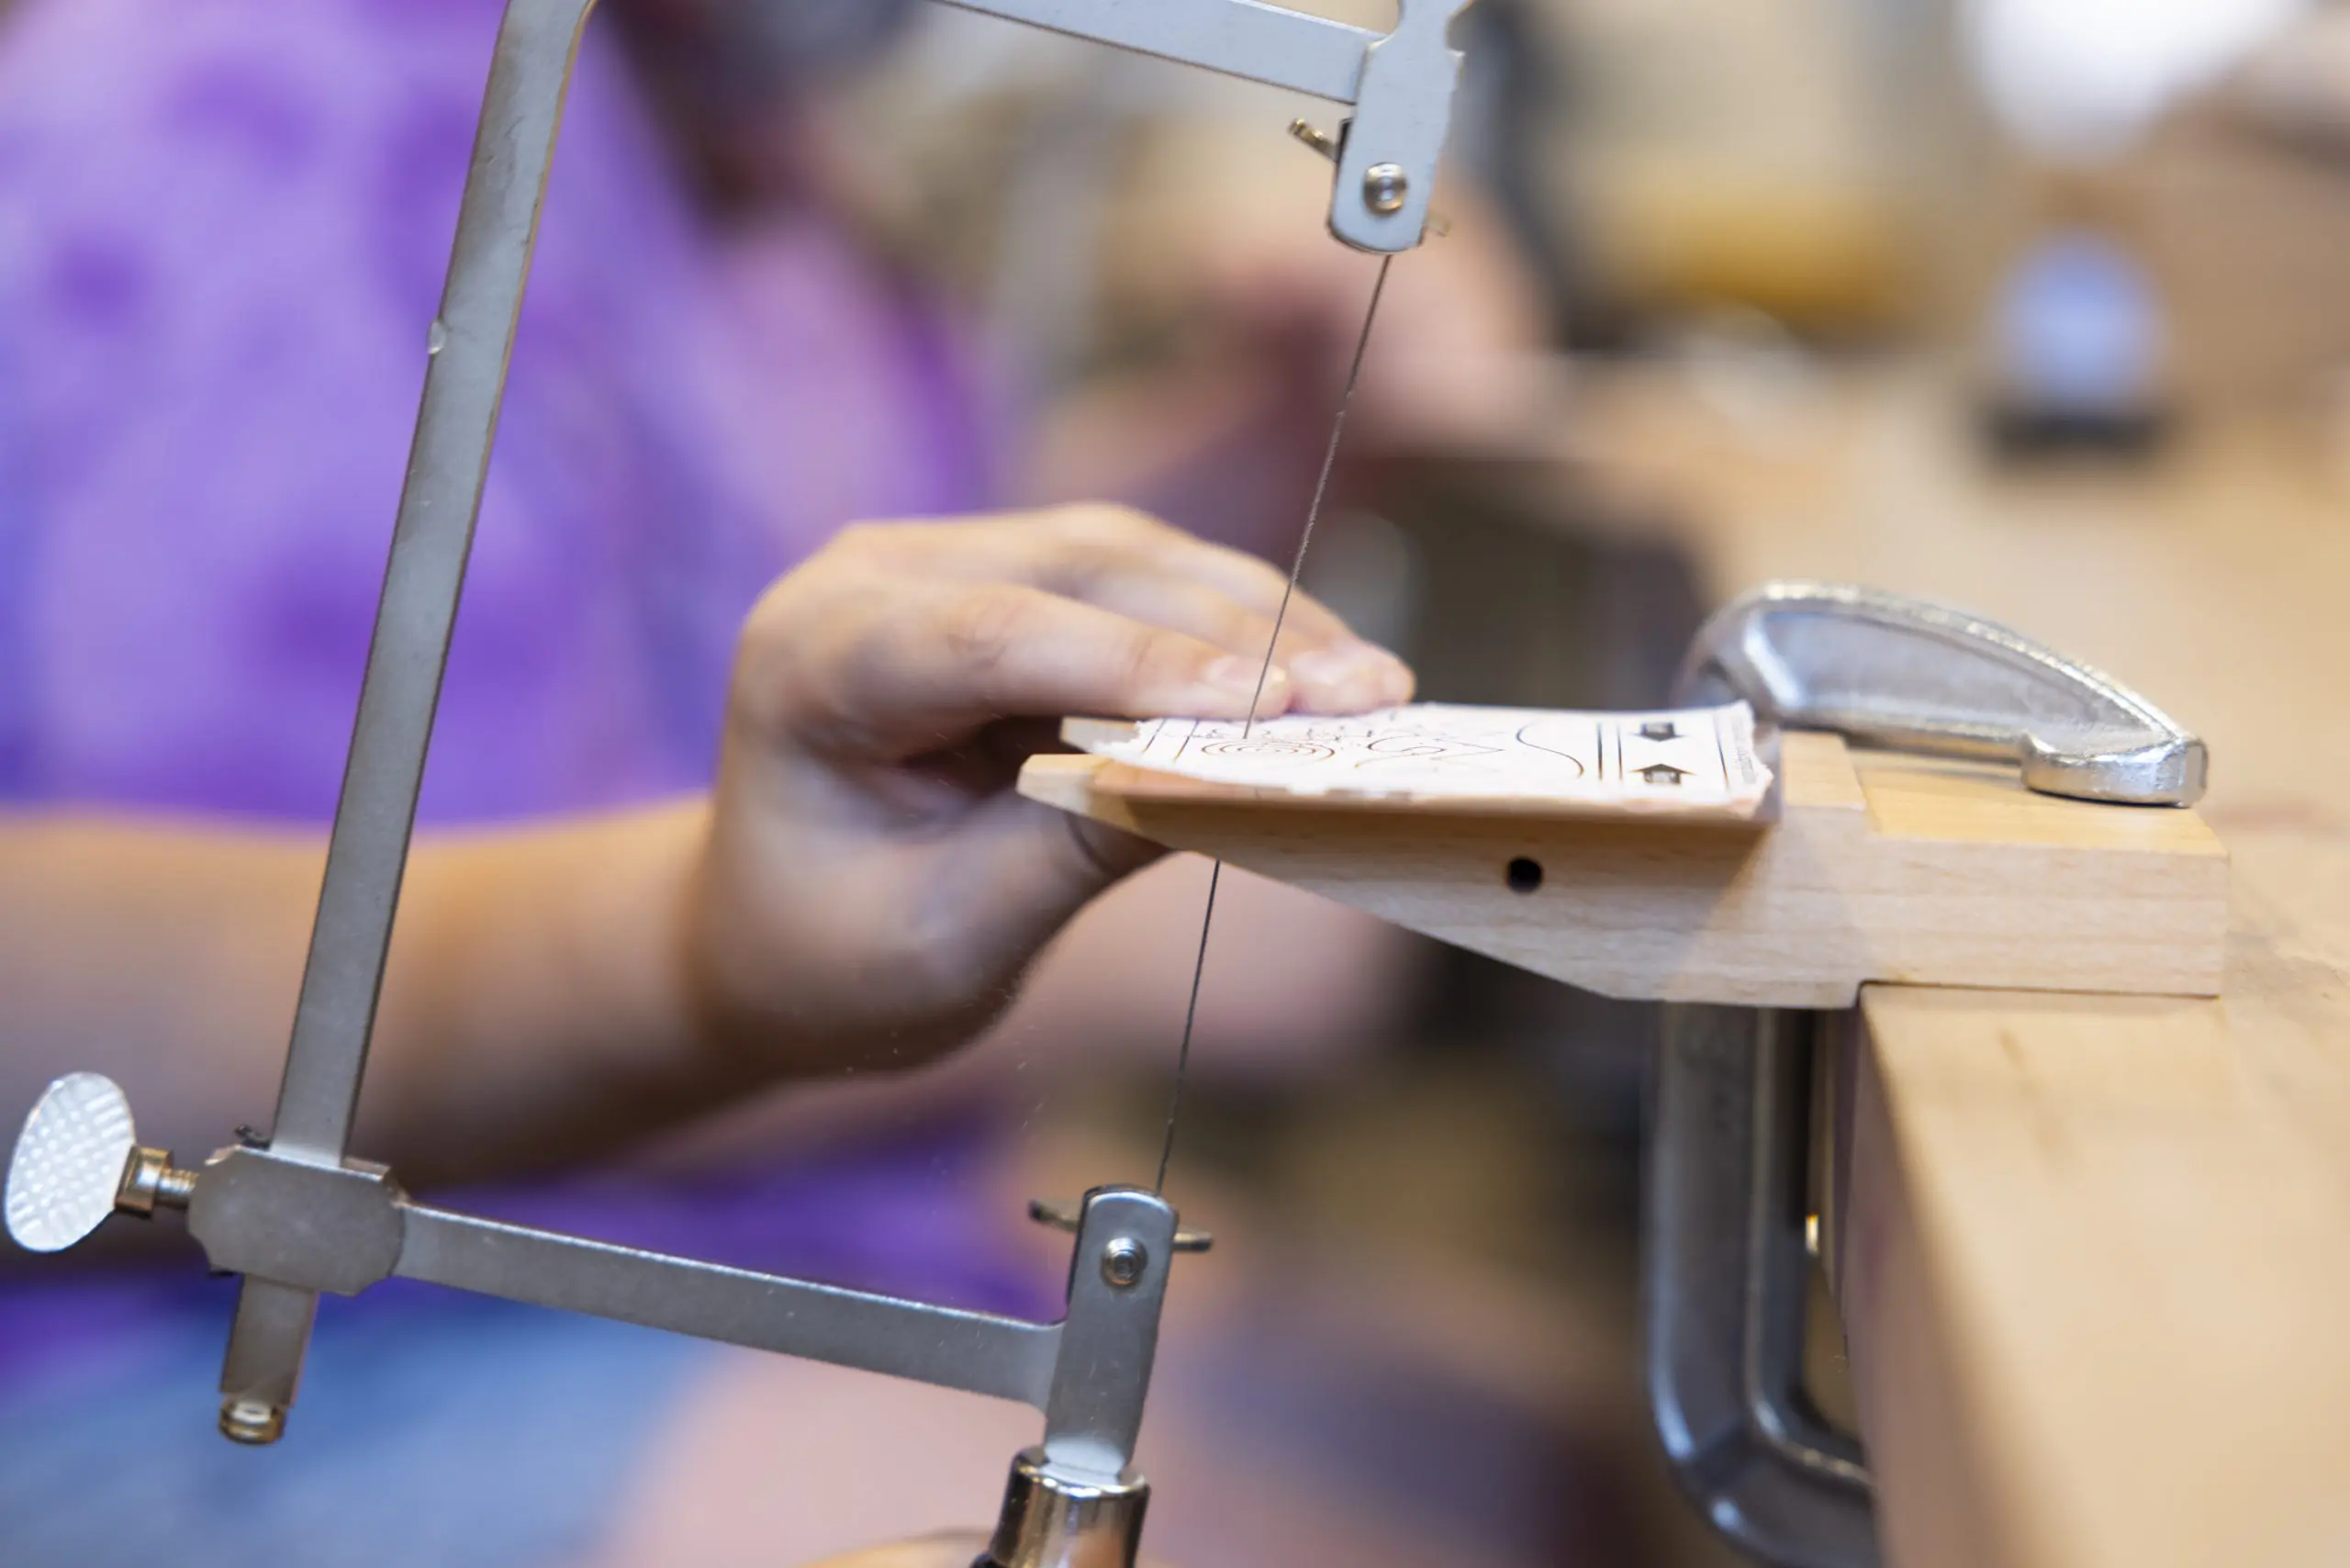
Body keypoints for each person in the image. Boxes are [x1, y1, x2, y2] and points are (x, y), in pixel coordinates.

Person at [0, 0, 1448, 1562]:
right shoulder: (260, 121)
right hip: (231, 1345)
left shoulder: (723, 137)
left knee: (1507, 1439)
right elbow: (281, 993)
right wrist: (1123, 945)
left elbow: (756, 610)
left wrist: (1241, 474)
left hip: (687, 1249)